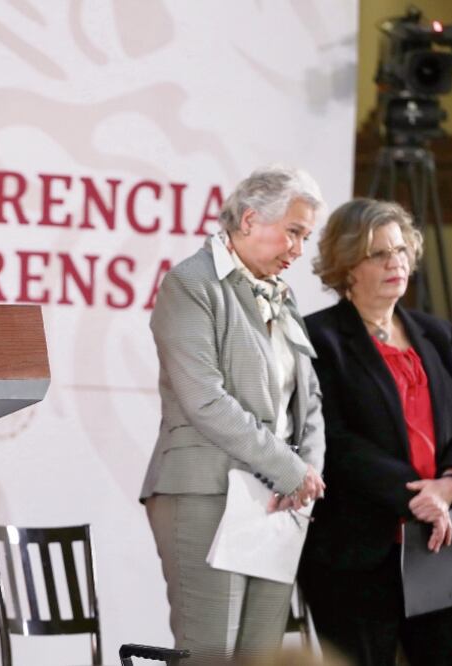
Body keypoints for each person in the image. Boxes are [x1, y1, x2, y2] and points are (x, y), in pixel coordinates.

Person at [142, 166, 327, 664]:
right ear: (248, 219)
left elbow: (309, 404)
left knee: (258, 655)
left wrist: (308, 475)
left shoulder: (282, 296)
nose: (298, 250)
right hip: (206, 489)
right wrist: (291, 470)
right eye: (293, 232)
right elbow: (205, 398)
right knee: (213, 654)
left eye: (305, 237)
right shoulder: (191, 284)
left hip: (280, 501)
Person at [299, 198, 452, 665]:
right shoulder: (318, 338)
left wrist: (448, 486)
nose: (396, 262)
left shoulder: (437, 335)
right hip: (357, 551)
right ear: (347, 266)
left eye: (401, 250)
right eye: (378, 254)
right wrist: (414, 497)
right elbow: (335, 442)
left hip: (444, 542)